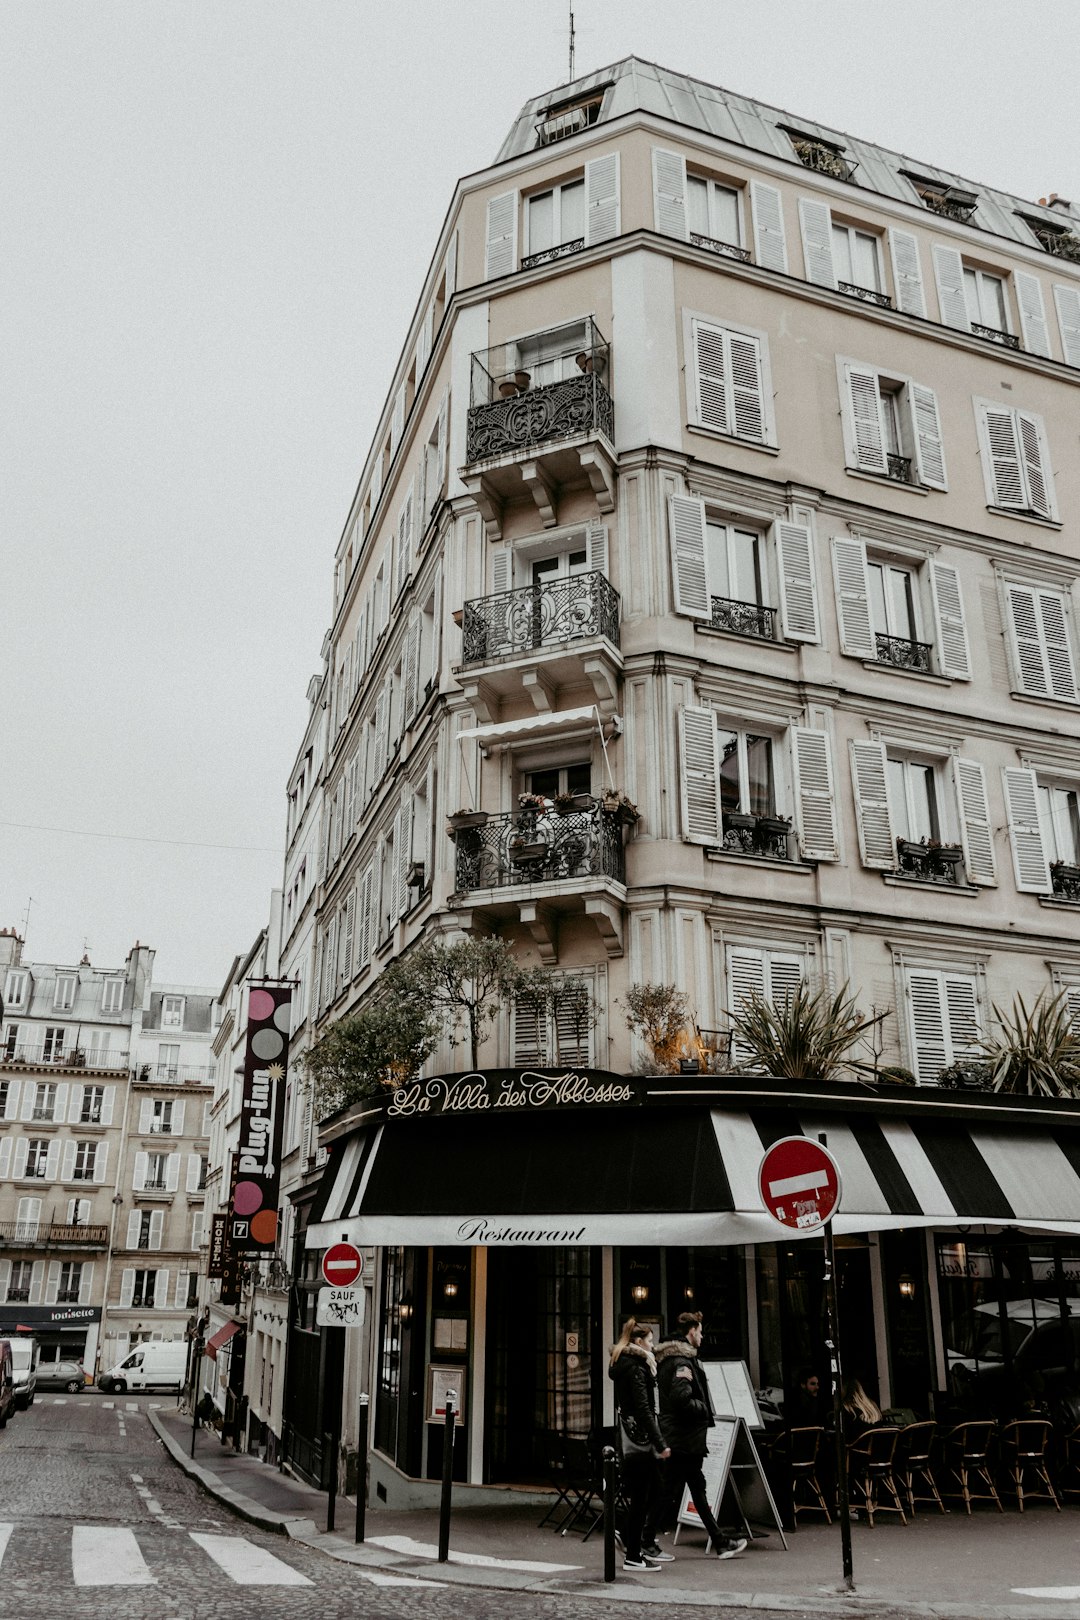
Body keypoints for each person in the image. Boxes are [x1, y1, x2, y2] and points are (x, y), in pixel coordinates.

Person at [654, 1312, 748, 1559]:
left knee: (691, 1489)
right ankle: (640, 1537)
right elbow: (681, 1398)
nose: (703, 1336)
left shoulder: (670, 1360)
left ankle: (720, 1542)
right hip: (684, 1439)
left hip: (681, 1438)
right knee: (674, 1491)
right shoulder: (682, 1363)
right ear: (691, 1332)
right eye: (700, 1331)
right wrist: (705, 1409)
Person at [609, 1319, 672, 1572]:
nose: (653, 1345)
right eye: (650, 1340)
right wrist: (660, 1441)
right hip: (640, 1439)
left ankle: (627, 1537)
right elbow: (644, 1409)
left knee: (652, 1489)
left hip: (634, 1435)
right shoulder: (636, 1368)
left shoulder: (627, 1365)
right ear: (638, 1342)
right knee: (642, 1495)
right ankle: (633, 1555)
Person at [840, 1377, 882, 1443]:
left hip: (857, 1449)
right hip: (878, 1447)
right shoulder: (872, 1406)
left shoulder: (847, 1409)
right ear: (860, 1389)